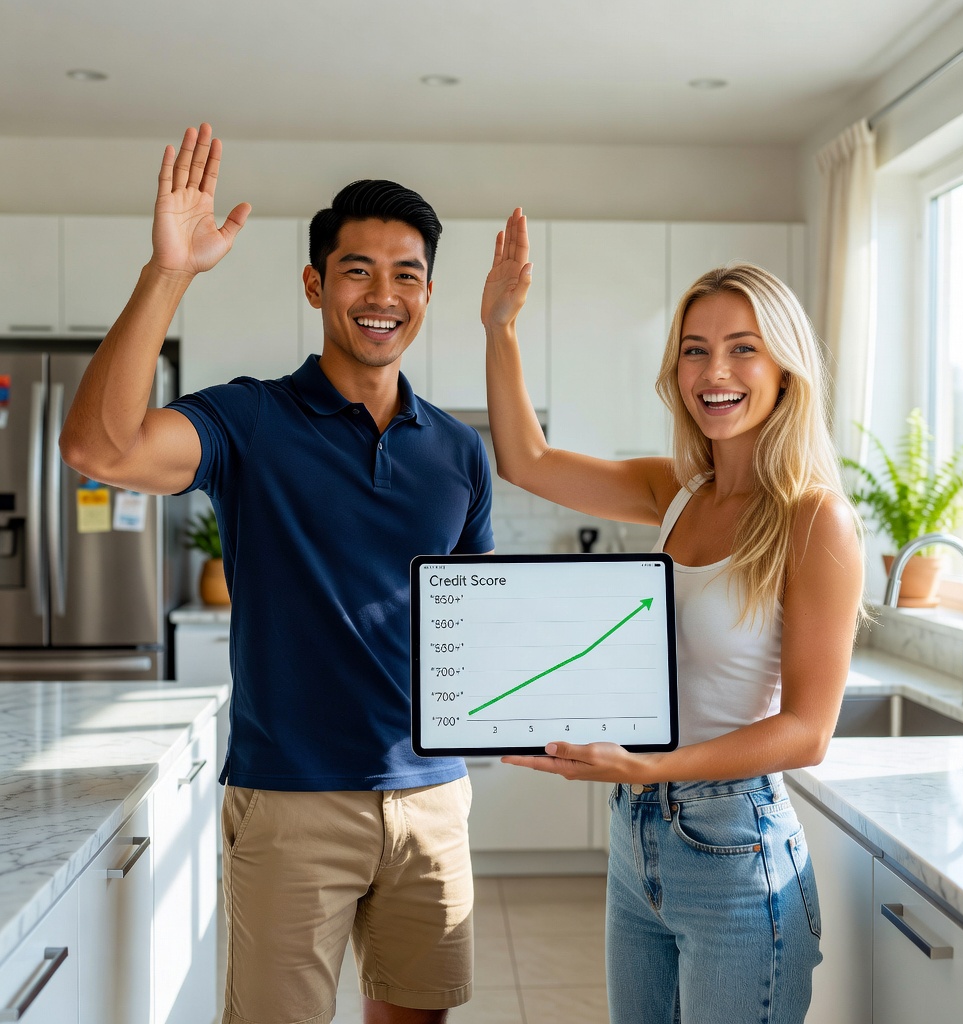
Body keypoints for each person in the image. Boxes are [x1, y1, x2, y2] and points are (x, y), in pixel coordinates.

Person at [59, 123, 494, 1024]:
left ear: (427, 294)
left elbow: (479, 621)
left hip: (432, 797)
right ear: (315, 284)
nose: (383, 294)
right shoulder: (251, 419)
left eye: (406, 273)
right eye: (357, 270)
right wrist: (168, 272)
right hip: (293, 800)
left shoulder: (458, 450)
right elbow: (96, 447)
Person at [480, 209, 864, 1024]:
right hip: (638, 839)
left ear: (786, 369)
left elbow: (808, 731)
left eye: (741, 347)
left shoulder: (812, 518)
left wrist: (649, 767)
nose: (713, 370)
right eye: (695, 349)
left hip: (733, 845)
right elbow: (527, 462)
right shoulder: (677, 490)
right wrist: (500, 326)